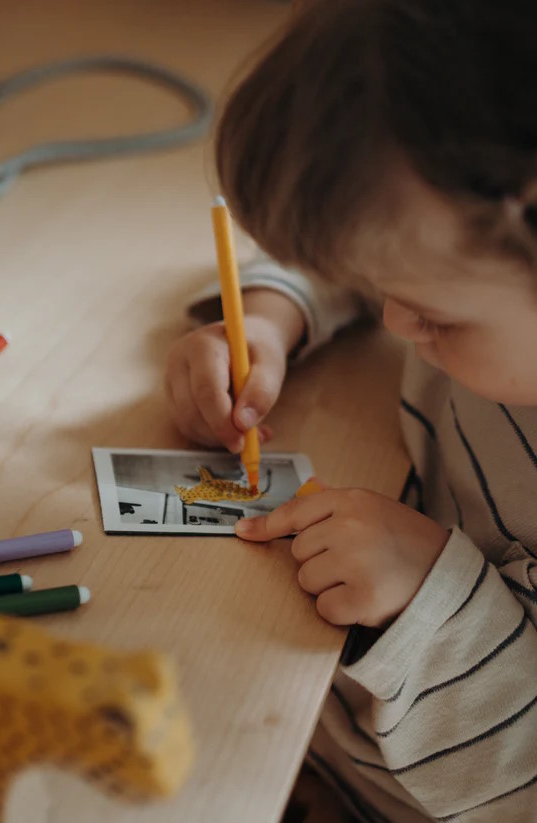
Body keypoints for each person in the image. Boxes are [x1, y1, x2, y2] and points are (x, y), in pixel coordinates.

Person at [164, 1, 537, 820]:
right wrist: (269, 318)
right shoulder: (475, 249)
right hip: (296, 720)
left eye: (434, 316)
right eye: (383, 288)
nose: (395, 320)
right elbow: (376, 239)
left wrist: (430, 598)